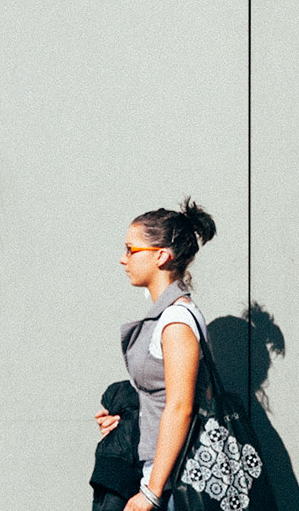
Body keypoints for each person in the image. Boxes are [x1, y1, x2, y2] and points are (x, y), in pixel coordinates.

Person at [97, 198, 217, 511]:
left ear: (161, 256)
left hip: (171, 483)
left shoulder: (176, 322)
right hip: (157, 477)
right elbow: (160, 396)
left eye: (131, 249)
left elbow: (179, 407)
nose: (124, 260)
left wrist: (151, 492)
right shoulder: (165, 317)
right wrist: (125, 420)